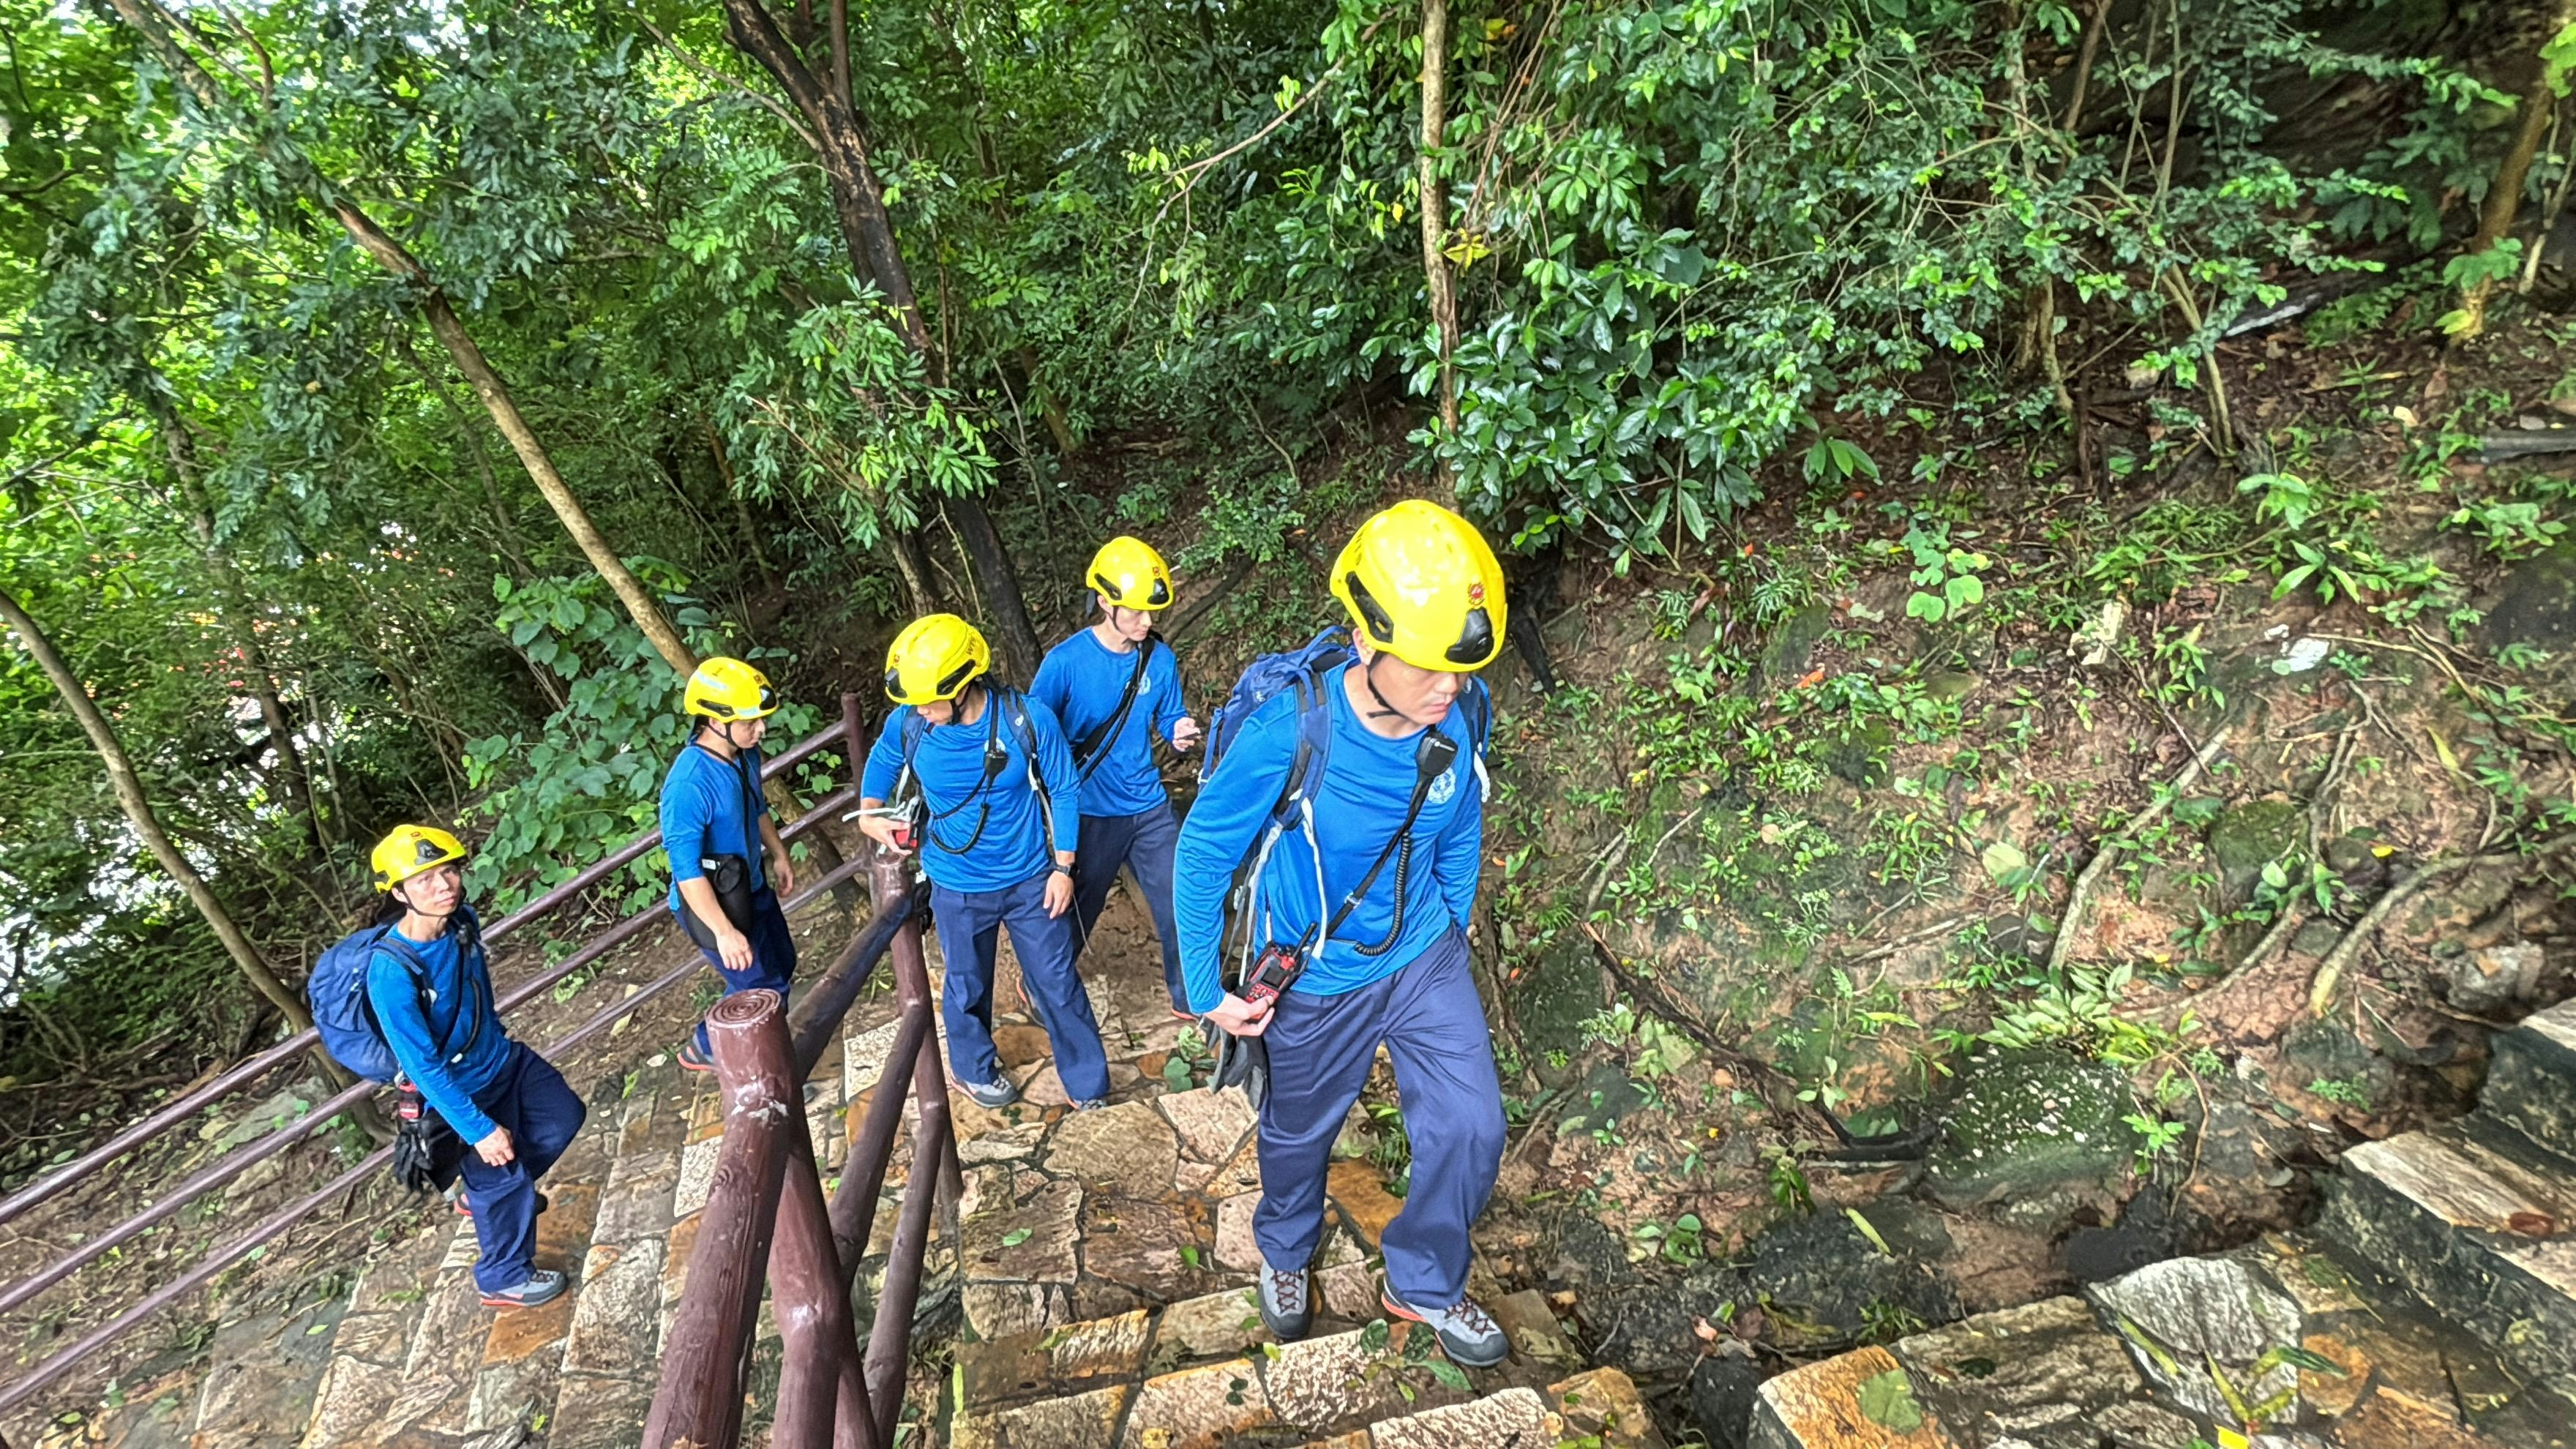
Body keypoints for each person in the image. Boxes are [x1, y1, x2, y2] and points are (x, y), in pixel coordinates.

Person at [1174, 500, 1510, 1367]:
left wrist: (1456, 921)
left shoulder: (1458, 715)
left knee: (1472, 1125)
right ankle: (1285, 1252)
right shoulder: (1295, 730)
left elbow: (1460, 822)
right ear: (1366, 645)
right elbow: (1204, 850)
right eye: (1432, 668)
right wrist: (1207, 990)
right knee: (1299, 1131)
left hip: (1423, 952)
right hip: (1317, 974)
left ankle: (1424, 1282)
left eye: (1464, 670)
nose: (1452, 688)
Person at [854, 614, 1111, 1109]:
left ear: (964, 684)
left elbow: (1063, 788)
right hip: (956, 884)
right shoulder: (910, 722)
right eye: (916, 701)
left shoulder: (1026, 719)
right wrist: (869, 814)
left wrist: (1064, 867)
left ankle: (1088, 1083)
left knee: (1057, 982)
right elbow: (885, 758)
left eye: (931, 699)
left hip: (1030, 879)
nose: (922, 709)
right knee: (966, 983)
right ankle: (973, 1069)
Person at [367, 825, 587, 1308]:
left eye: (447, 871)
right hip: (456, 1094)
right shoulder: (391, 973)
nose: (443, 886)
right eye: (424, 879)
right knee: (500, 1169)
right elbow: (421, 1066)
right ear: (398, 893)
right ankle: (502, 1277)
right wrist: (479, 1130)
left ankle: (494, 1199)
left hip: (501, 1059)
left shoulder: (462, 920)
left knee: (563, 1116)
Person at [1030, 536, 1200, 1016]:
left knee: (1178, 898)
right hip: (1088, 810)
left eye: (1152, 612)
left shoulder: (1159, 659)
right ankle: (1042, 984)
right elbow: (1036, 734)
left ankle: (1189, 996)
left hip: (1147, 806)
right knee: (1078, 907)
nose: (1148, 622)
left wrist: (1178, 729)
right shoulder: (1064, 663)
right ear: (1105, 602)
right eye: (1136, 612)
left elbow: (1169, 715)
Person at [660, 656, 800, 1074]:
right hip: (711, 903)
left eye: (761, 720)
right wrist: (725, 933)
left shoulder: (743, 756)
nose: (761, 730)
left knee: (782, 965)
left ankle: (705, 1042)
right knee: (765, 989)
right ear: (715, 721)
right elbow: (686, 871)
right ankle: (766, 1077)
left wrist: (779, 853)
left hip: (750, 886)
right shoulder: (688, 786)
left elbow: (756, 808)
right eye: (750, 722)